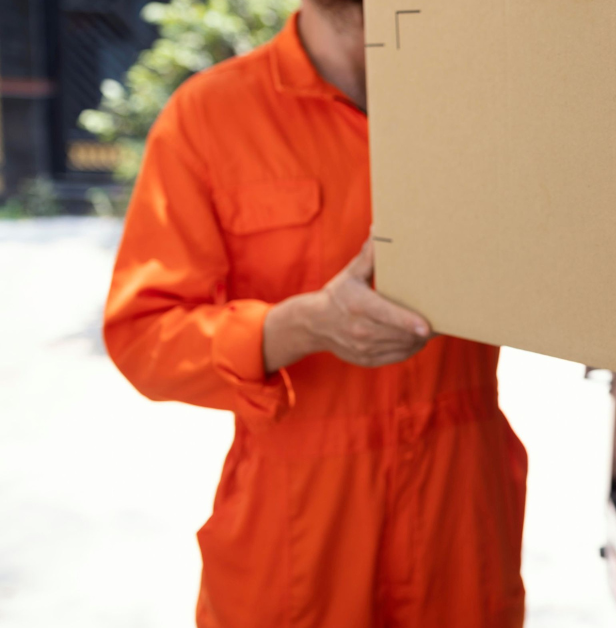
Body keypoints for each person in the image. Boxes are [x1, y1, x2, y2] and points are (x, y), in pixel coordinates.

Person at [103, 0, 528, 625]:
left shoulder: (491, 103)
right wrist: (293, 328)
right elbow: (144, 336)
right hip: (296, 533)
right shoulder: (211, 116)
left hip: (459, 516)